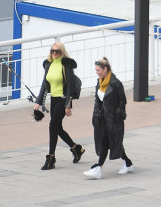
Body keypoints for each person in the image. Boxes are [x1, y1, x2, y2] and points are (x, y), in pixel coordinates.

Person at [34, 40, 85, 170]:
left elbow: (69, 88)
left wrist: (68, 105)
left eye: (57, 51)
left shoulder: (66, 64)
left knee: (52, 126)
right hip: (54, 100)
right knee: (58, 128)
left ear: (62, 52)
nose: (55, 53)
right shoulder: (48, 64)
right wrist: (38, 102)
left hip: (63, 99)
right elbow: (44, 85)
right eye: (53, 51)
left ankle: (51, 158)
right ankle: (76, 148)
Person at [83, 57, 134, 179]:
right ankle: (128, 163)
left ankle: (98, 168)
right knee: (109, 142)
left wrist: (118, 116)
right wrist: (95, 115)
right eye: (96, 70)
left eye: (98, 70)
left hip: (113, 119)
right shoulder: (99, 82)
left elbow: (122, 101)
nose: (97, 72)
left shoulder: (116, 83)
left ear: (105, 69)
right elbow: (98, 101)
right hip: (102, 119)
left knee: (109, 142)